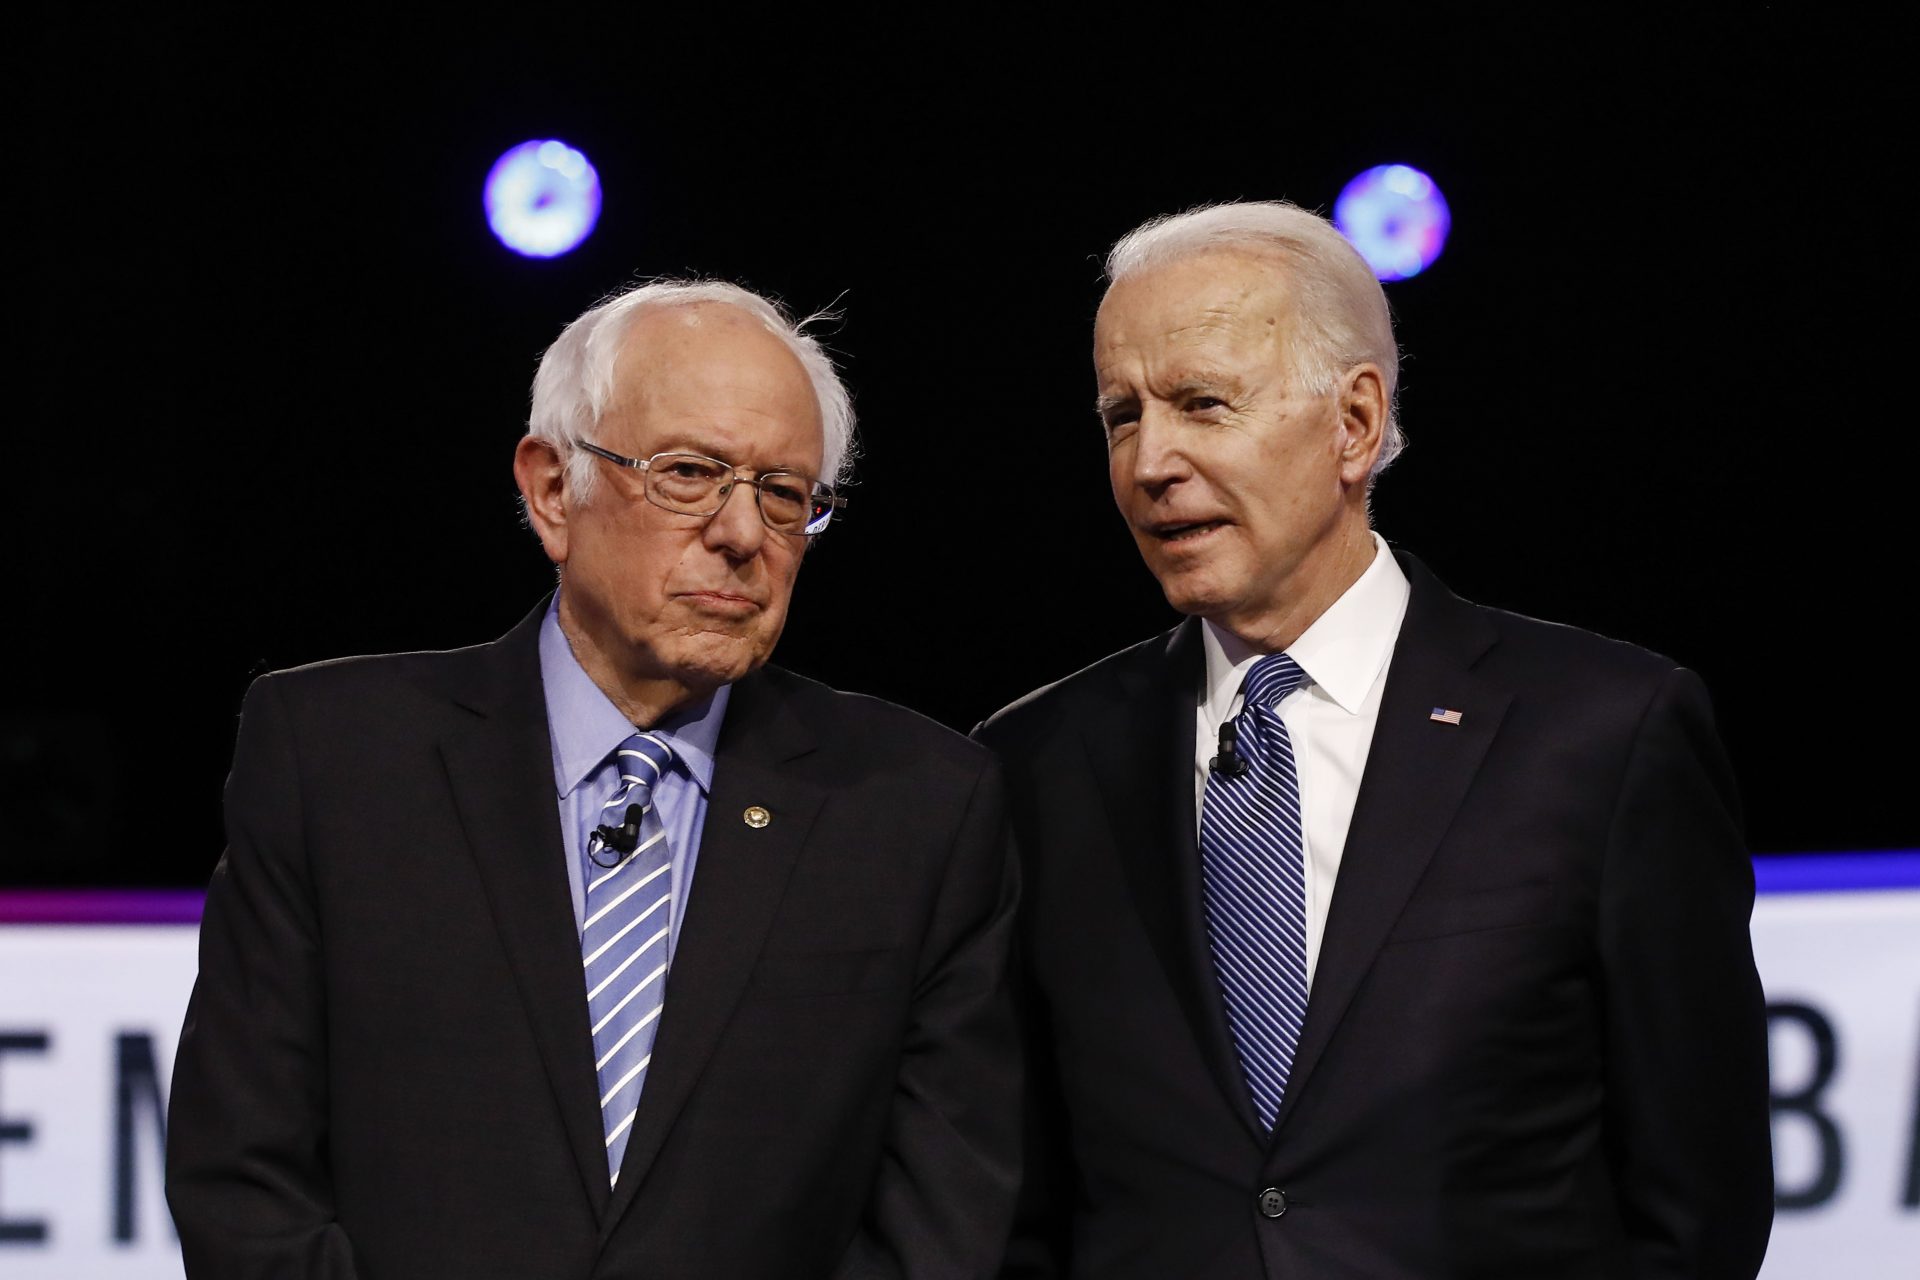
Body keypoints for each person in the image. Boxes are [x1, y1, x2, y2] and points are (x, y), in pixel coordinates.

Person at [975, 202, 1773, 1278]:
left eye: (1204, 403)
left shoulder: (1603, 735)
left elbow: (1698, 1207)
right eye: (1122, 414)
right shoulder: (1037, 765)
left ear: (1354, 423)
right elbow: (1020, 1199)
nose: (1152, 460)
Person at [167, 280, 1021, 1278]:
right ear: (549, 488)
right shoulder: (336, 758)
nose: (742, 533)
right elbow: (244, 1182)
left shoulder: (917, 805)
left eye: (784, 494)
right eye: (691, 473)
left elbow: (940, 1222)